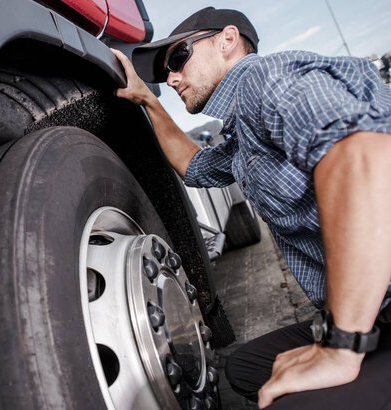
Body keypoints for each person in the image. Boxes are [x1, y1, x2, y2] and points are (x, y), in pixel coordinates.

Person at [110, 6, 391, 409]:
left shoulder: (262, 78)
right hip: (372, 312)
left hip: (370, 314)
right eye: (164, 71)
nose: (170, 78)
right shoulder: (243, 133)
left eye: (177, 58)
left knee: (284, 400)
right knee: (245, 369)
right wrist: (148, 103)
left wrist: (341, 345)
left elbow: (362, 155)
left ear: (227, 41)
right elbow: (193, 165)